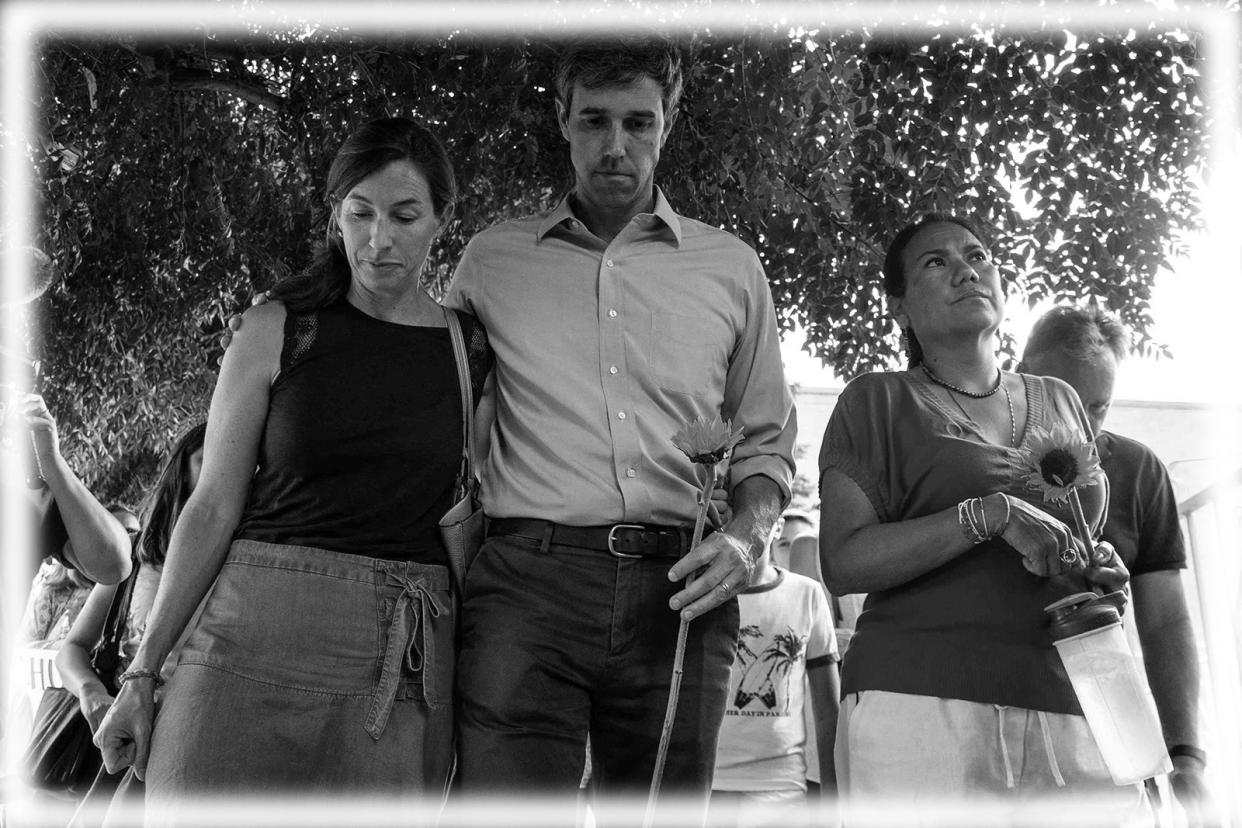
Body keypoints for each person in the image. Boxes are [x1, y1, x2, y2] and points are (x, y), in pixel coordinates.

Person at [443, 36, 796, 810]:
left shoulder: (731, 268)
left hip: (683, 592)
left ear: (667, 124)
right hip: (526, 583)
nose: (616, 145)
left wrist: (749, 531)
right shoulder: (491, 262)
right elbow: (439, 420)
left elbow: (766, 442)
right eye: (594, 121)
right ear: (562, 122)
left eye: (638, 123)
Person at [94, 118, 488, 807]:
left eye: (404, 215)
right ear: (336, 215)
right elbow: (211, 503)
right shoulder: (277, 325)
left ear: (441, 219)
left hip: (394, 671)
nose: (378, 239)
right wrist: (143, 672)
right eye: (359, 213)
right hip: (242, 646)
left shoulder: (470, 353)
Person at [818, 214, 1134, 808]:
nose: (965, 269)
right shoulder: (876, 401)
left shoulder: (1060, 399)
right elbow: (842, 560)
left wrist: (1102, 570)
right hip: (922, 706)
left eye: (978, 255)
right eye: (935, 262)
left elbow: (1079, 534)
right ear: (901, 308)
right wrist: (986, 514)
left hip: (1078, 695)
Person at [1019, 306, 1211, 825]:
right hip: (989, 732)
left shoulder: (1140, 469)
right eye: (1060, 398)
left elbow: (1167, 620)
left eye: (1098, 408)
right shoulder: (974, 460)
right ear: (1019, 373)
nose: (1079, 425)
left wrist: (1187, 757)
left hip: (1107, 740)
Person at [53, 425, 203, 822]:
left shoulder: (249, 563)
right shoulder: (136, 559)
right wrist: (90, 690)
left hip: (199, 748)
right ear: (180, 472)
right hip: (128, 747)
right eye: (208, 457)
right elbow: (72, 649)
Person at [709, 538, 840, 827]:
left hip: (782, 782)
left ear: (777, 525)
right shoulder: (701, 593)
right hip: (708, 779)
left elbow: (828, 708)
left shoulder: (807, 594)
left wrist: (833, 803)